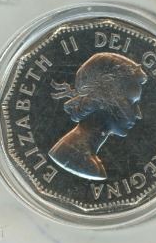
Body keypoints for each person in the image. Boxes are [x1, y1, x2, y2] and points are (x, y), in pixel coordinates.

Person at [48, 52, 147, 181]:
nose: (138, 115)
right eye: (131, 102)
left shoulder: (78, 155)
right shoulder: (80, 159)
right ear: (102, 99)